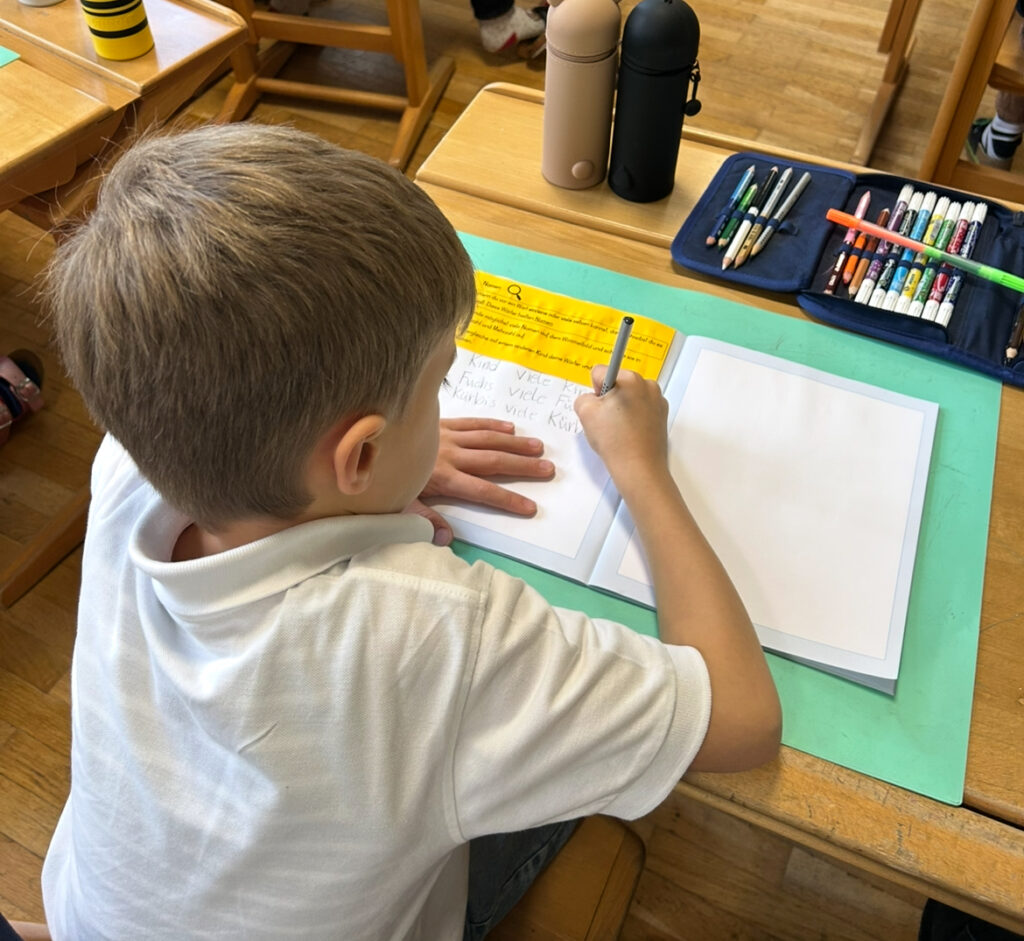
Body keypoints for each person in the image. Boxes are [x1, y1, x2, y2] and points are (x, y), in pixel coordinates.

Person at [40, 122, 781, 940]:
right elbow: (742, 721)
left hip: (91, 916)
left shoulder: (132, 460)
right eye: (438, 388)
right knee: (563, 766)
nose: (440, 405)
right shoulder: (441, 636)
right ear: (356, 453)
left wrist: (375, 465)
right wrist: (642, 467)